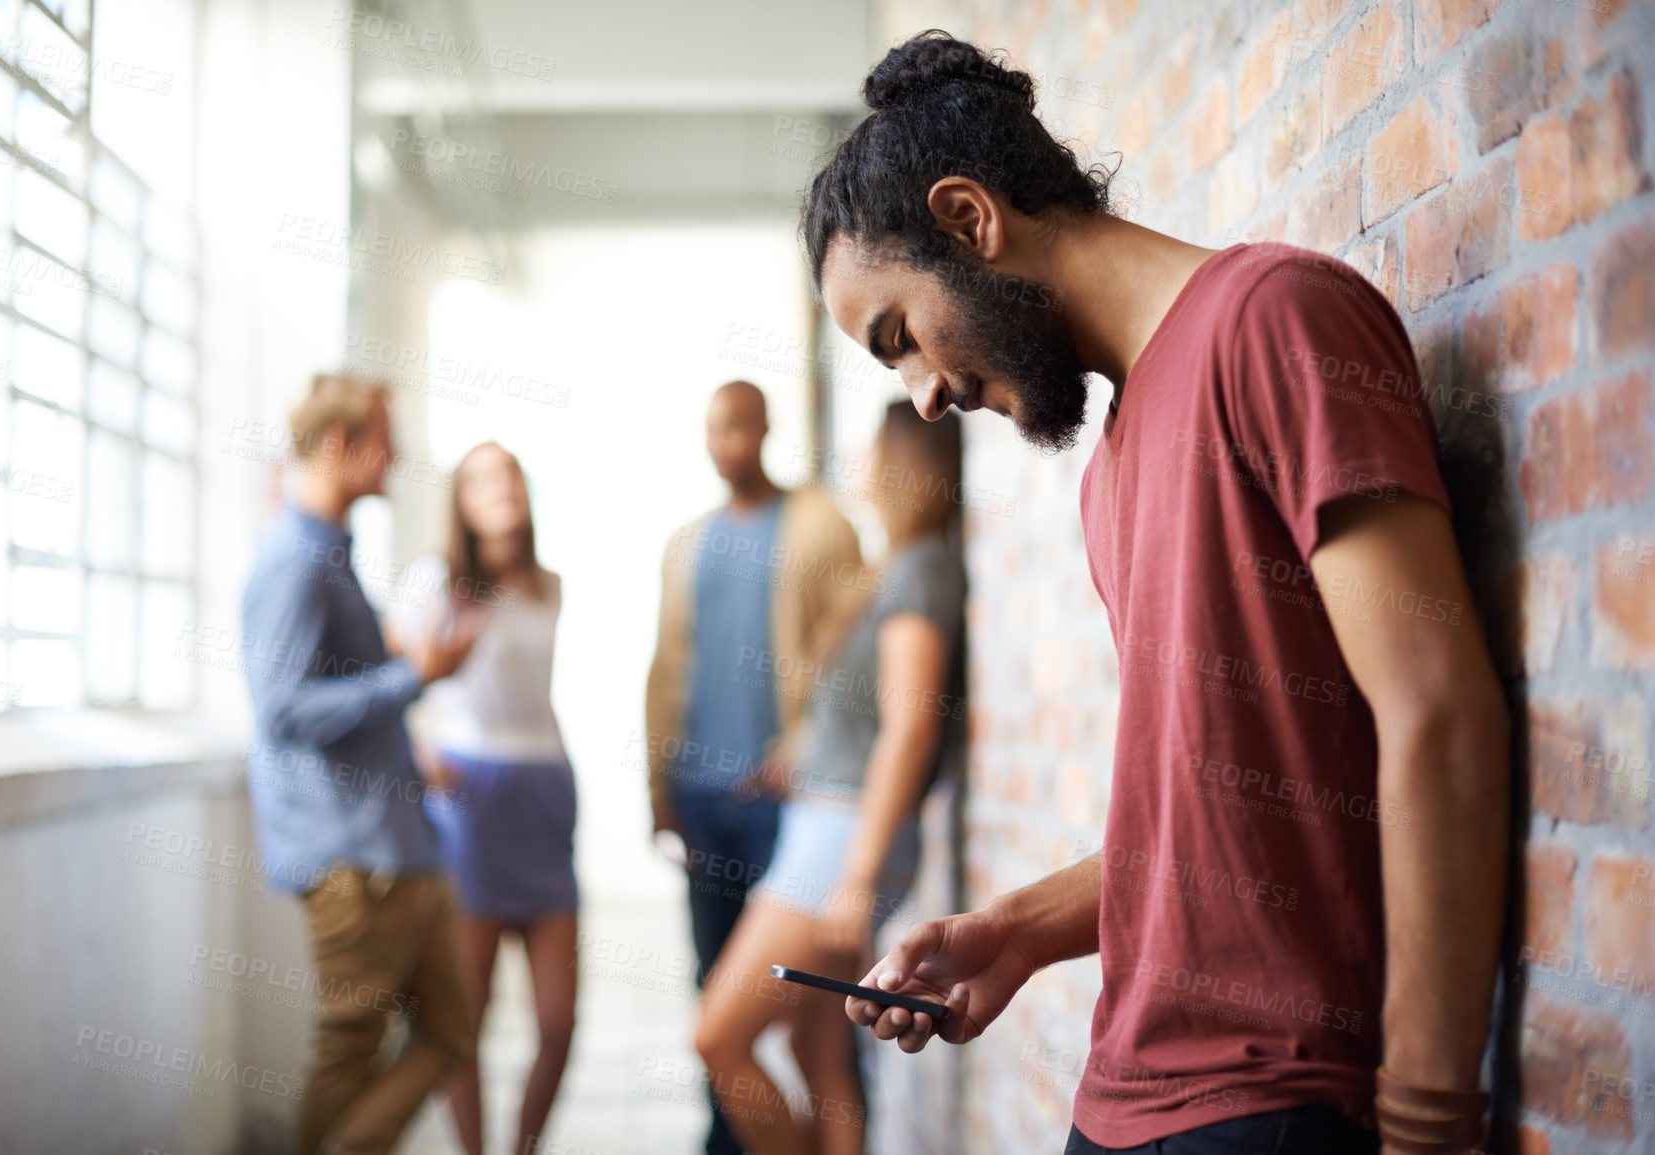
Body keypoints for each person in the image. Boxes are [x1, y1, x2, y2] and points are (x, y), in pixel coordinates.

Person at [802, 32, 1511, 1155]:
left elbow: (1437, 715)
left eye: (902, 338)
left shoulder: (1275, 318)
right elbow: (1214, 810)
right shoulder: (1115, 464)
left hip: (1273, 1104)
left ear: (969, 219)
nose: (924, 397)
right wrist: (1016, 933)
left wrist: (1427, 1121)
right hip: (1125, 1092)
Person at [694, 400, 966, 1155]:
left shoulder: (919, 571)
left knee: (717, 1034)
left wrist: (858, 874)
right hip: (828, 821)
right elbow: (871, 719)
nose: (858, 461)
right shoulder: (902, 565)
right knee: (823, 1056)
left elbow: (910, 727)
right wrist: (801, 757)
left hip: (843, 841)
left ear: (905, 461)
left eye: (871, 447)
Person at [241, 373, 482, 1155]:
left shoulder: (332, 554)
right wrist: (416, 675)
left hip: (397, 844)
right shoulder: (294, 563)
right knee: (349, 1048)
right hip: (352, 859)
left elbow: (341, 698)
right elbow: (282, 711)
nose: (398, 454)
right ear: (342, 446)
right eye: (386, 437)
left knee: (450, 1030)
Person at [643, 380, 866, 1155]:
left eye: (736, 427)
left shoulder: (816, 525)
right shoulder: (686, 543)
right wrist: (657, 785)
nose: (724, 443)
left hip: (791, 806)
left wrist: (804, 738)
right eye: (711, 429)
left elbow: (854, 647)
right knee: (713, 988)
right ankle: (727, 1141)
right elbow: (665, 667)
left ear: (764, 428)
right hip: (701, 798)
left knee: (815, 1011)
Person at [386, 442, 578, 1155]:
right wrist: (420, 749)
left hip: (546, 790)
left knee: (557, 1020)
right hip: (472, 799)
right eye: (480, 479)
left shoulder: (546, 584)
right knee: (467, 1013)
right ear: (460, 501)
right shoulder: (435, 582)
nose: (499, 489)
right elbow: (389, 677)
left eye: (508, 476)